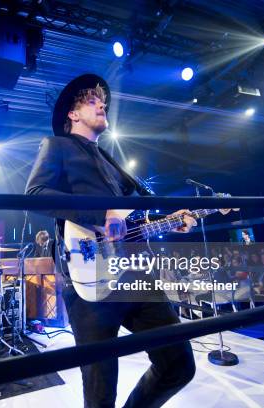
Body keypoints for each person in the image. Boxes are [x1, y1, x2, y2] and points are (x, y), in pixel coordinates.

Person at [25, 74, 197, 407]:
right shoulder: (56, 145)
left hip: (133, 273)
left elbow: (128, 217)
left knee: (178, 365)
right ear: (72, 114)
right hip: (88, 279)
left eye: (103, 99)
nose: (102, 103)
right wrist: (101, 215)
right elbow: (34, 194)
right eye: (92, 100)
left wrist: (167, 221)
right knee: (100, 393)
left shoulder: (111, 160)